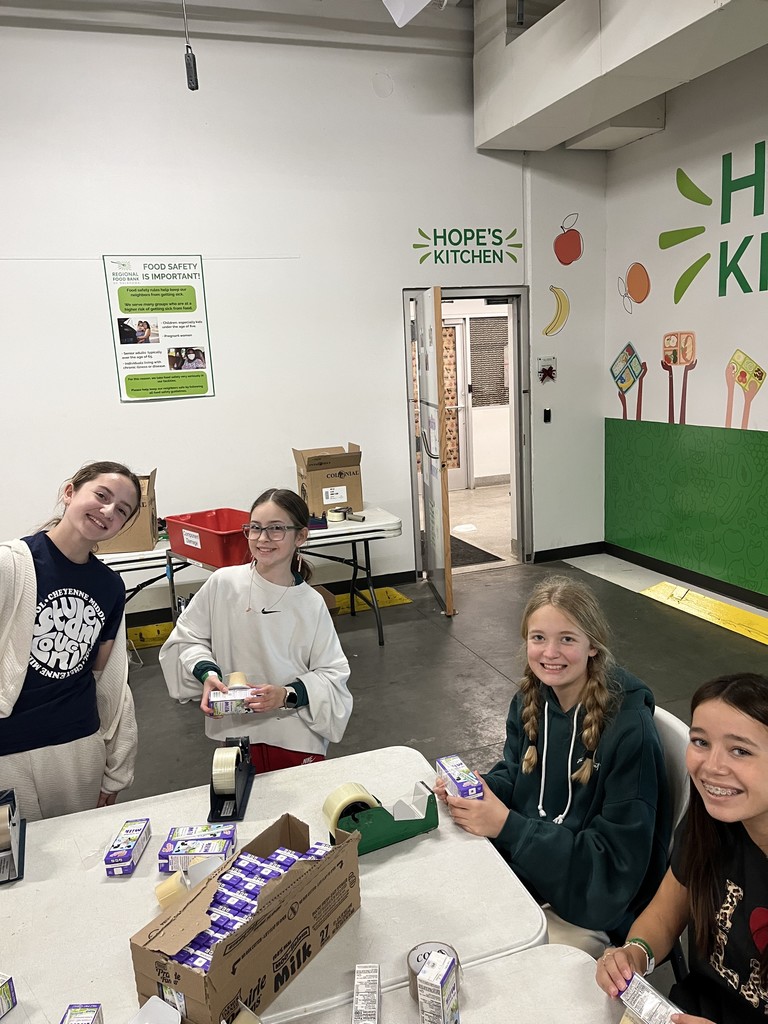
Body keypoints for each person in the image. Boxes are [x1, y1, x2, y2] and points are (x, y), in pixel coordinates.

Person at [435, 575, 671, 956]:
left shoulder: (630, 733)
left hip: (594, 906)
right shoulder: (532, 700)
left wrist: (507, 826)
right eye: (538, 638)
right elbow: (519, 774)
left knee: (494, 964)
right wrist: (480, 789)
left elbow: (612, 867)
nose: (550, 653)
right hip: (532, 874)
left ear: (593, 645)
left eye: (567, 639)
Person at [596, 672, 768, 1024]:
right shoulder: (713, 824)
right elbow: (664, 913)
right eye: (701, 742)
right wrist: (634, 955)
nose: (712, 767)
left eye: (740, 750)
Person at [159, 487, 352, 773]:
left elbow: (332, 675)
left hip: (295, 738)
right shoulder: (224, 584)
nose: (262, 539)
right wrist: (208, 674)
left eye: (276, 529)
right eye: (255, 528)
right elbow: (187, 639)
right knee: (243, 809)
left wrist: (286, 694)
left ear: (300, 536)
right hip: (236, 735)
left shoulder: (311, 603)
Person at [0, 461, 142, 820]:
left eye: (121, 510)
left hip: (76, 747)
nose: (108, 511)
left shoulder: (109, 586)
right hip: (8, 750)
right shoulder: (10, 565)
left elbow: (106, 678)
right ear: (69, 492)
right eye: (101, 495)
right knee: (16, 868)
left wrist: (115, 769)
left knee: (81, 858)